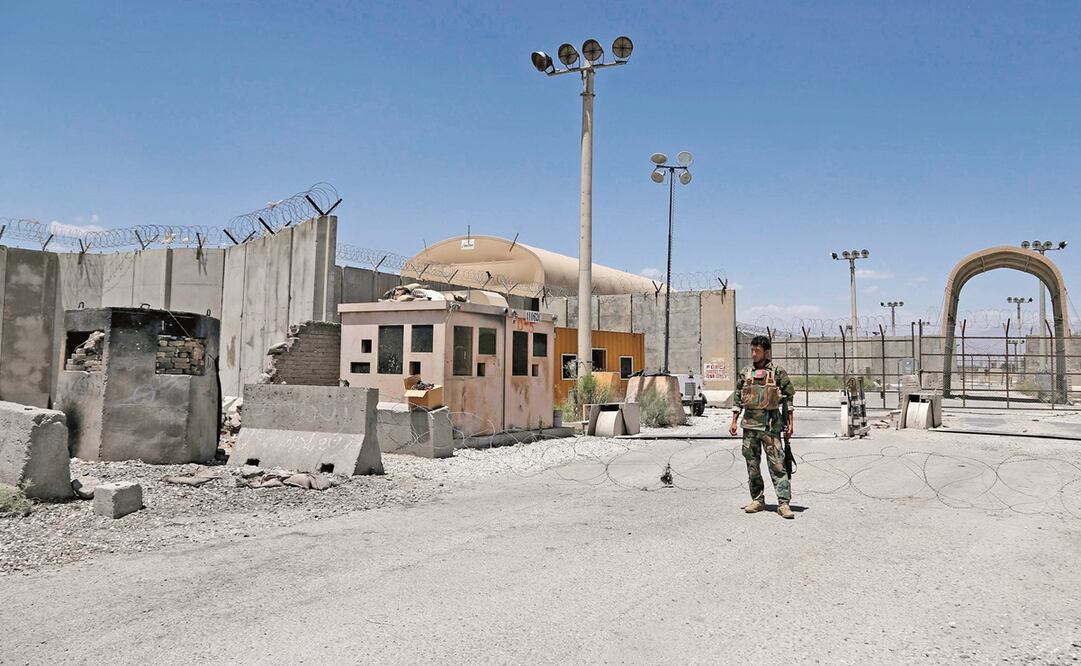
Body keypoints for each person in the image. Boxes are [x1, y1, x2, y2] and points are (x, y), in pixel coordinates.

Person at [729, 335, 796, 519]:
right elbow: (737, 397)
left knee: (778, 465)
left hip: (771, 427)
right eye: (752, 350)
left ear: (766, 352)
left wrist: (790, 422)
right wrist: (734, 420)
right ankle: (758, 500)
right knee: (752, 466)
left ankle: (783, 504)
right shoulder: (745, 372)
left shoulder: (777, 372)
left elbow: (789, 396)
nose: (753, 354)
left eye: (757, 350)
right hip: (750, 427)